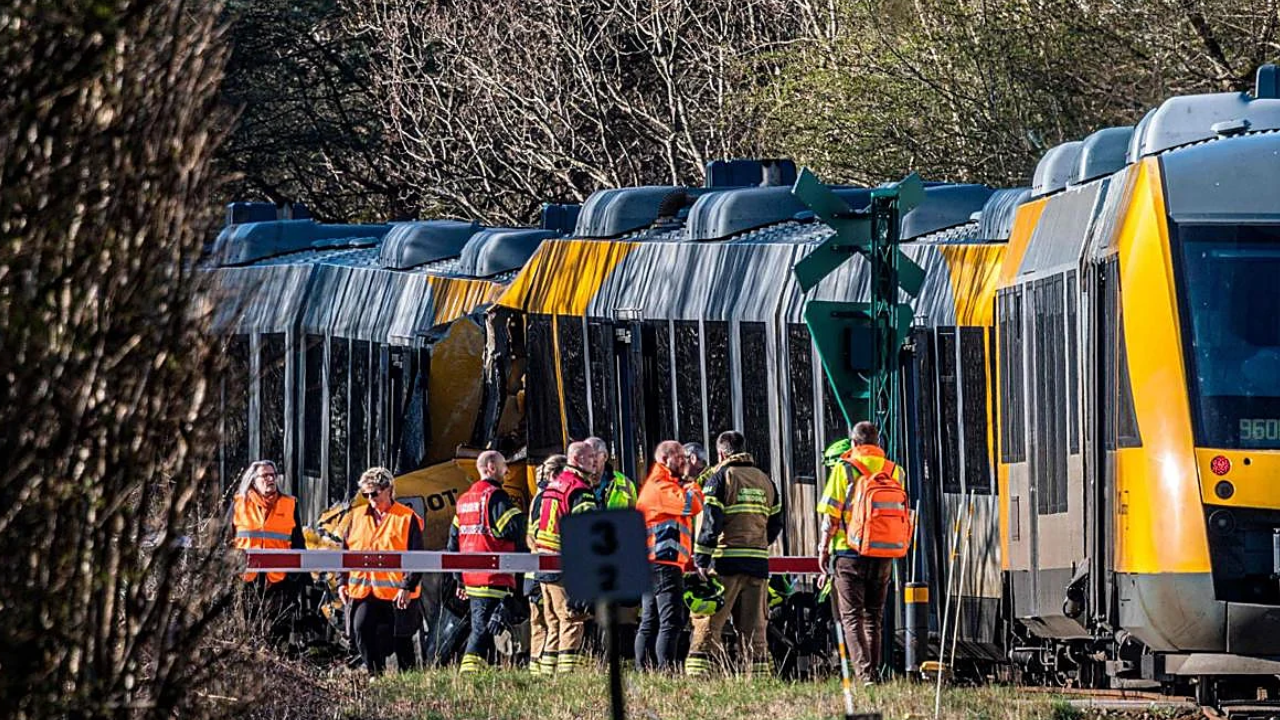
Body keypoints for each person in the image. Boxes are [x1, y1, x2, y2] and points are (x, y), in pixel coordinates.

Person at [687, 431, 782, 677]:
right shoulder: (765, 480)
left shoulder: (720, 478)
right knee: (754, 627)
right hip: (757, 564)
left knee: (709, 621)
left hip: (725, 563)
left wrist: (701, 559)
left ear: (721, 452)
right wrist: (759, 544)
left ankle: (699, 674)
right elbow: (776, 523)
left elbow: (711, 522)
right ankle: (757, 676)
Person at [816, 421, 904, 685]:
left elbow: (831, 514)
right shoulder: (894, 470)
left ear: (854, 443)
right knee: (873, 617)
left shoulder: (845, 468)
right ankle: (873, 672)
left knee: (851, 616)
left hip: (848, 553)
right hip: (883, 552)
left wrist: (823, 549)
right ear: (878, 443)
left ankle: (865, 675)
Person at [340, 467, 425, 675]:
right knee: (361, 629)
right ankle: (374, 675)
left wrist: (407, 586)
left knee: (401, 641)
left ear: (388, 489)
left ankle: (410, 685)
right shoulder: (355, 517)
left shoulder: (407, 518)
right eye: (365, 494)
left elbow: (416, 557)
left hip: (398, 593)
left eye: (374, 493)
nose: (370, 498)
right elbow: (344, 553)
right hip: (363, 591)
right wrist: (341, 581)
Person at [448, 451, 528, 674]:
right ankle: (469, 674)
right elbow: (514, 528)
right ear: (491, 467)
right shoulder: (496, 497)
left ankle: (487, 672)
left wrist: (459, 580)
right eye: (504, 466)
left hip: (472, 579)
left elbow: (452, 545)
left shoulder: (464, 501)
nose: (508, 471)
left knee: (488, 627)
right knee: (482, 631)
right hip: (494, 576)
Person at [634, 440, 703, 673]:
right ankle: (666, 671)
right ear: (665, 459)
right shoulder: (660, 487)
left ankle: (644, 668)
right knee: (670, 621)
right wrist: (692, 485)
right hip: (663, 563)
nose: (685, 461)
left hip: (654, 563)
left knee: (650, 620)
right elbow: (692, 505)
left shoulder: (663, 485)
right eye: (680, 457)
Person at [531, 441, 598, 673]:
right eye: (591, 458)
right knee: (572, 619)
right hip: (564, 565)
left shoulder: (554, 485)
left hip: (543, 562)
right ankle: (568, 675)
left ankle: (546, 673)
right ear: (578, 460)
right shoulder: (579, 489)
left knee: (553, 622)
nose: (596, 461)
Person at [230, 460, 306, 648]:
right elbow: (226, 540)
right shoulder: (239, 504)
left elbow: (298, 543)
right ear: (253, 480)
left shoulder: (289, 504)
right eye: (265, 476)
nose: (271, 479)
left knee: (277, 633)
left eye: (273, 475)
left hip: (279, 580)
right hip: (247, 579)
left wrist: (294, 579)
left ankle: (276, 671)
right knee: (247, 633)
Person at [526, 454, 567, 675]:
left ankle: (538, 670)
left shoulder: (538, 497)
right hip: (547, 568)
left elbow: (531, 536)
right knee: (555, 621)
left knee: (542, 622)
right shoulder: (551, 497)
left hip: (535, 570)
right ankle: (551, 669)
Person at [586, 436, 637, 509]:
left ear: (605, 456)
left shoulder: (626, 484)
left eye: (594, 455)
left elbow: (634, 516)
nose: (591, 460)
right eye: (587, 456)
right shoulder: (575, 485)